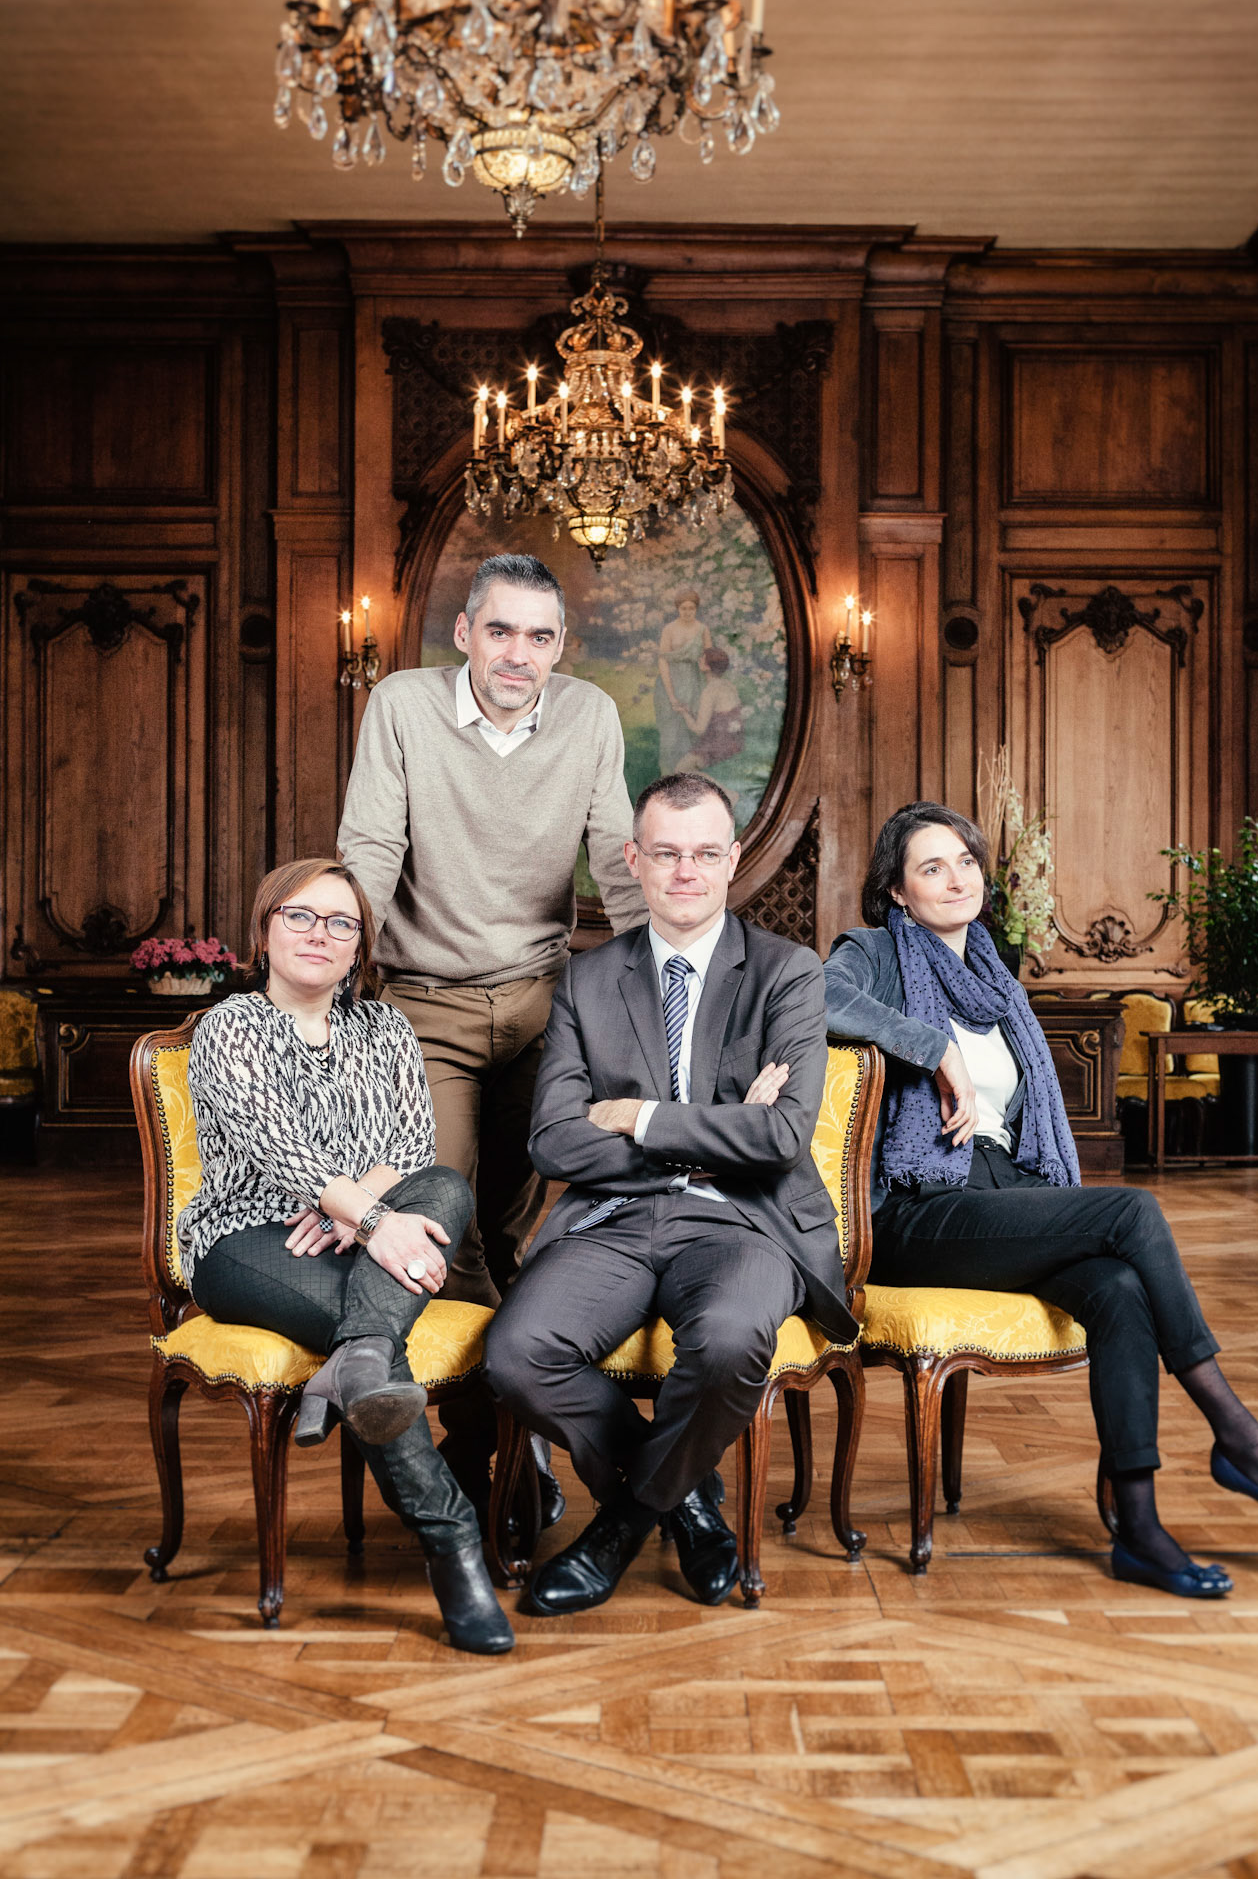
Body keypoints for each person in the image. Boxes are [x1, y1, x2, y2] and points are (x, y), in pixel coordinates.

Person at [825, 801, 1258, 1601]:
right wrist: (934, 1051)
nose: (955, 879)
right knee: (1132, 1212)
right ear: (896, 891)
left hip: (1001, 1194)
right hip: (915, 1208)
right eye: (930, 867)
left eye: (964, 861)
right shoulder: (872, 954)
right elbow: (815, 999)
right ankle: (1232, 1428)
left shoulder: (995, 979)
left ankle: (1138, 1528)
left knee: (1120, 1287)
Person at [483, 772, 856, 1617]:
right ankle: (686, 1501)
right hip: (611, 1221)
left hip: (744, 1222)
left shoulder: (786, 972)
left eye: (703, 854)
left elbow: (779, 1138)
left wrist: (637, 1116)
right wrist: (714, 1134)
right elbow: (553, 1141)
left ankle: (616, 1530)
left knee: (729, 1341)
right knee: (516, 1353)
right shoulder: (587, 980)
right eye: (665, 854)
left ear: (731, 860)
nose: (685, 872)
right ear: (633, 860)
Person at [338, 552, 648, 1516]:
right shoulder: (401, 705)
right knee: (448, 1218)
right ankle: (505, 1442)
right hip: (424, 1003)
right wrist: (338, 972)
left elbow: (619, 861)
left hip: (545, 1000)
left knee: (517, 1228)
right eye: (501, 630)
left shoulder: (589, 716)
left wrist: (667, 987)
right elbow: (370, 849)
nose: (519, 654)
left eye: (539, 636)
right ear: (464, 632)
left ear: (560, 646)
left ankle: (504, 1440)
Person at [176, 858, 514, 1655]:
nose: (318, 934)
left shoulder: (385, 1027)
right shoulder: (231, 1026)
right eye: (298, 916)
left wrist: (358, 1215)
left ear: (360, 944)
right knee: (386, 1332)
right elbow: (278, 1147)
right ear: (264, 931)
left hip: (356, 1236)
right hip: (246, 1241)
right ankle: (455, 1546)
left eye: (340, 923)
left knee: (444, 1187)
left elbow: (412, 1147)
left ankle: (354, 1362)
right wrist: (371, 1219)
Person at [654, 589, 711, 775]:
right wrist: (671, 695)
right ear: (678, 609)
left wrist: (710, 689)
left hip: (694, 682)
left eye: (691, 608)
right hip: (670, 681)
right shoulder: (669, 629)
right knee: (670, 731)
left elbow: (709, 659)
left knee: (692, 728)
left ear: (696, 609)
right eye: (683, 608)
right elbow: (663, 661)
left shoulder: (702, 629)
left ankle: (688, 775)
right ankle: (667, 774)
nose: (687, 612)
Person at [678, 647, 745, 773]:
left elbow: (699, 729)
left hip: (719, 744)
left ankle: (721, 787)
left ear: (708, 667)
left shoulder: (710, 691)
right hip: (735, 741)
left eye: (702, 659)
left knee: (681, 769)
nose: (699, 660)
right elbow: (720, 717)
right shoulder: (729, 685)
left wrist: (684, 713)